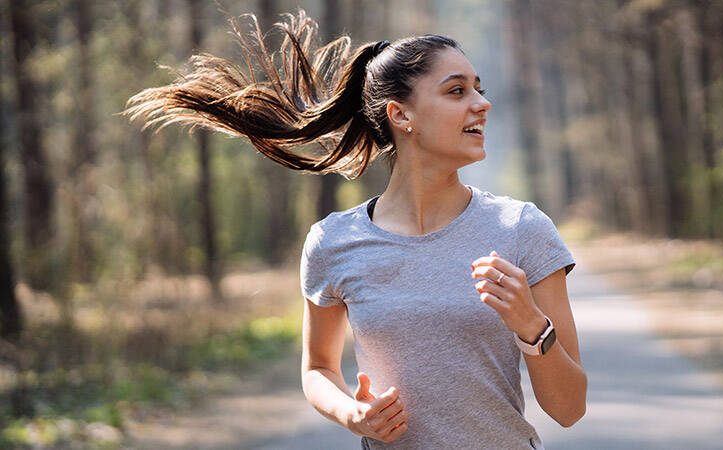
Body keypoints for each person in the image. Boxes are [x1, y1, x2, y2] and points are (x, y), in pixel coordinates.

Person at [122, 7, 587, 449]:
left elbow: (569, 410)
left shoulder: (521, 228)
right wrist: (352, 414)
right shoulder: (335, 242)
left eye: (479, 89)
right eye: (457, 91)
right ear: (400, 115)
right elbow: (319, 368)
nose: (482, 104)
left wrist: (530, 325)